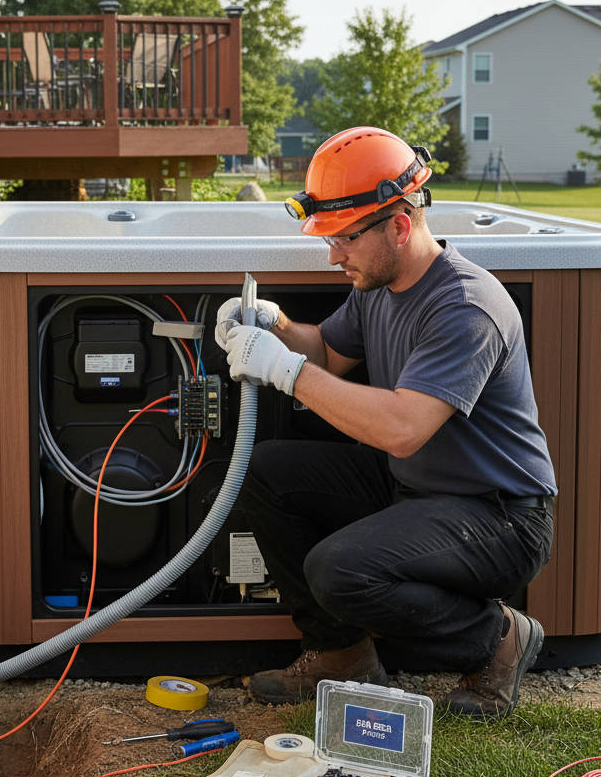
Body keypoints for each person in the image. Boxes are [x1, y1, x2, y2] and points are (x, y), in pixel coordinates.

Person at [216, 126, 557, 720]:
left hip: (500, 514)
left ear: (400, 226)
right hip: (418, 486)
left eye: (344, 239)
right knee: (266, 468)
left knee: (340, 569)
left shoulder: (466, 306)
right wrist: (270, 326)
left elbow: (403, 427)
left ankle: (500, 639)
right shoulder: (379, 283)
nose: (333, 255)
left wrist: (286, 371)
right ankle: (340, 656)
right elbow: (324, 351)